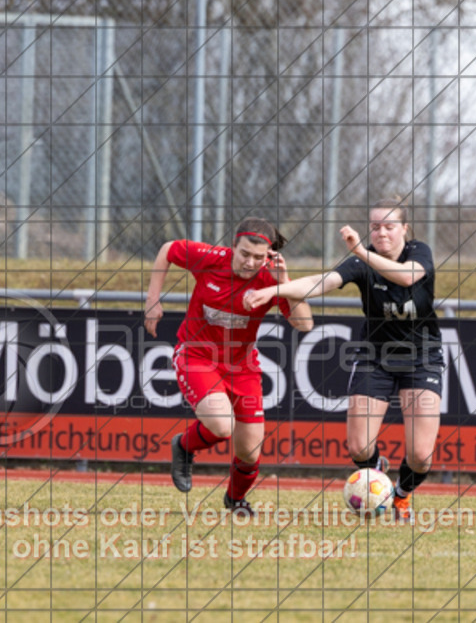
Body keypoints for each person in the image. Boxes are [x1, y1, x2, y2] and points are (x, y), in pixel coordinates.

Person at [244, 199, 443, 523]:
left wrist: (362, 251)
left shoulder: (418, 252)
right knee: (358, 448)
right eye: (375, 226)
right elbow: (320, 282)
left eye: (389, 226)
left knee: (421, 455)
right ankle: (376, 474)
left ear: (404, 229)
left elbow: (408, 278)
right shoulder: (359, 264)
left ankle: (402, 497)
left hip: (422, 358)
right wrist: (274, 290)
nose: (381, 232)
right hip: (374, 357)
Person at [145, 217, 314, 516]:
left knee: (249, 453)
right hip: (196, 355)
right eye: (244, 254)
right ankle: (184, 446)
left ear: (269, 255)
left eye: (258, 257)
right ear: (232, 246)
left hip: (242, 366)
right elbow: (168, 249)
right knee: (222, 424)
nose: (250, 262)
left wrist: (284, 283)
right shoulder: (211, 259)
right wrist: (152, 300)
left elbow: (304, 323)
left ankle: (234, 501)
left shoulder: (272, 279)